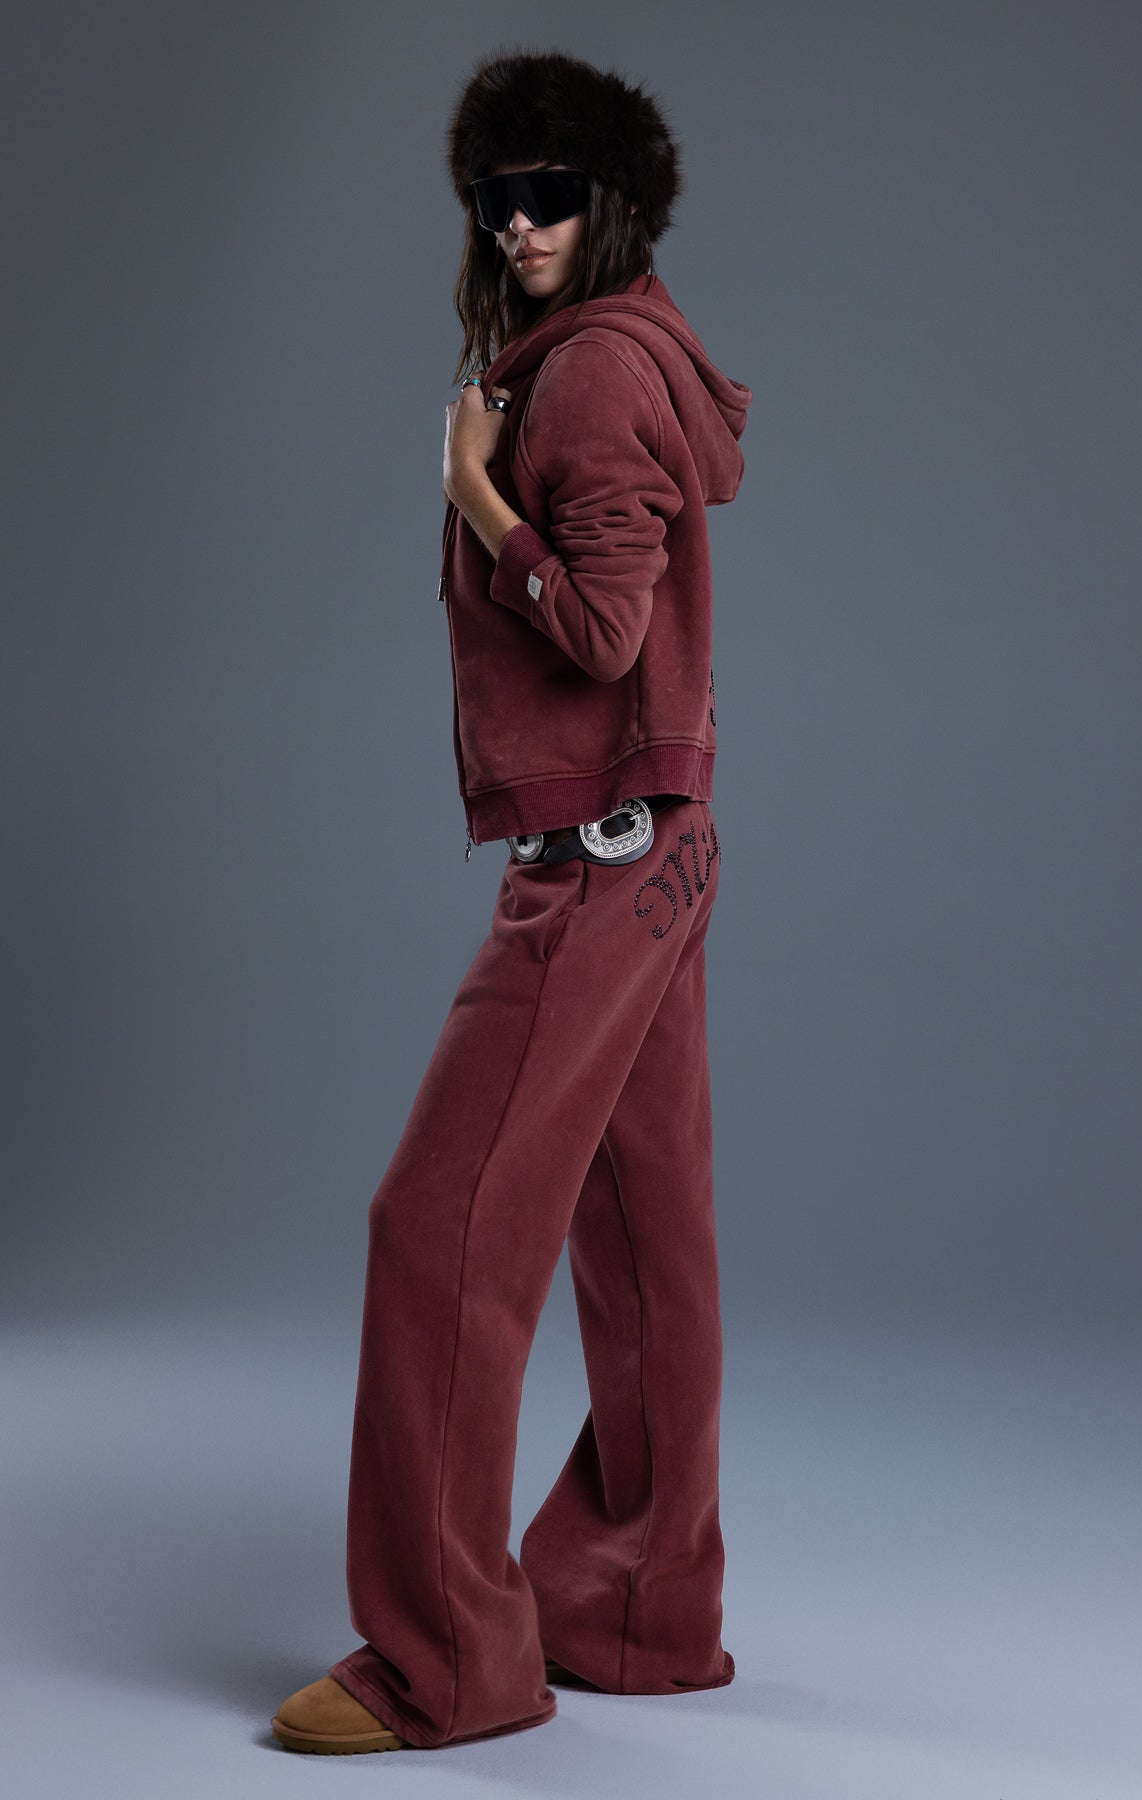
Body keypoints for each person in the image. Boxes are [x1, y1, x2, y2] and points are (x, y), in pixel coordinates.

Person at [271, 47, 752, 1754]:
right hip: (667, 842)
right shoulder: (626, 347)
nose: (518, 224)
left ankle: (442, 1663)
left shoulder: (590, 379)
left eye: (549, 194)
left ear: (610, 201)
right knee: (645, 1243)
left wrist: (473, 492)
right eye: (495, 197)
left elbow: (605, 634)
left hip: (603, 865)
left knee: (441, 1228)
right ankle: (635, 1613)